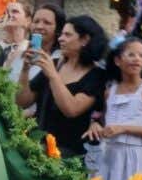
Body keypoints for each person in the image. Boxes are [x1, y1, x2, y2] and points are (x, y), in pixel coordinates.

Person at [15, 13, 106, 156]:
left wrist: (52, 75)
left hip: (68, 154)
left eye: (67, 35)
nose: (60, 39)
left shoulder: (96, 75)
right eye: (61, 34)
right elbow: (22, 101)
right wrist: (25, 69)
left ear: (85, 40)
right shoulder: (56, 64)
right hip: (37, 146)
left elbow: (71, 109)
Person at [84, 37, 142, 180]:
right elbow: (103, 123)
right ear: (117, 60)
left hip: (134, 155)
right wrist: (95, 125)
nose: (137, 59)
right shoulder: (110, 92)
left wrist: (123, 128)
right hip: (108, 153)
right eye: (131, 54)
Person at [0, 0, 32, 69]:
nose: (8, 15)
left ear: (27, 20)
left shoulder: (30, 49)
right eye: (5, 12)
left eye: (15, 11)